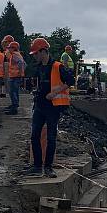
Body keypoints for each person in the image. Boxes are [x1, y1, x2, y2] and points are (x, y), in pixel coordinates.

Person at [29, 37, 74, 176]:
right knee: (34, 136)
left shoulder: (57, 66)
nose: (35, 56)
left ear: (43, 51)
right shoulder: (39, 67)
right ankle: (37, 166)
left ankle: (48, 167)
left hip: (53, 107)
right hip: (40, 105)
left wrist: (54, 92)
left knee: (51, 137)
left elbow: (70, 81)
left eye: (36, 53)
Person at [4, 41, 26, 115]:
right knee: (14, 92)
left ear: (14, 48)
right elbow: (24, 64)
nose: (8, 49)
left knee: (13, 92)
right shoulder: (17, 54)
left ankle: (14, 108)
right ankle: (14, 105)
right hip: (15, 76)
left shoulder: (15, 55)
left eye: (10, 48)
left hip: (15, 76)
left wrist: (19, 72)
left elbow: (21, 63)